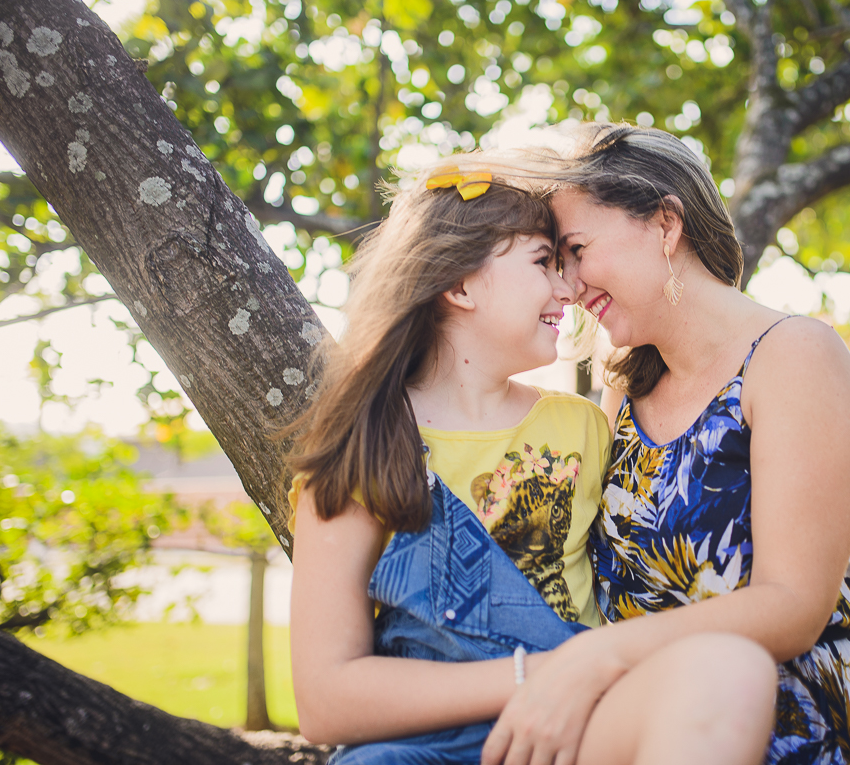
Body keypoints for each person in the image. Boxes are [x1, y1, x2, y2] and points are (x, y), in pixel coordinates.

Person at [281, 155, 777, 765]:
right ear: (460, 285)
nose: (570, 290)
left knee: (731, 671)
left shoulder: (583, 428)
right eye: (544, 262)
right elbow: (325, 700)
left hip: (578, 730)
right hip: (428, 743)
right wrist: (540, 674)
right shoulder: (365, 446)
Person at [479, 125, 850, 765]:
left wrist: (597, 657)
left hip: (789, 726)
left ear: (665, 223)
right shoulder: (624, 384)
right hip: (639, 724)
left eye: (576, 250)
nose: (567, 286)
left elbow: (793, 606)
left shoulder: (796, 356)